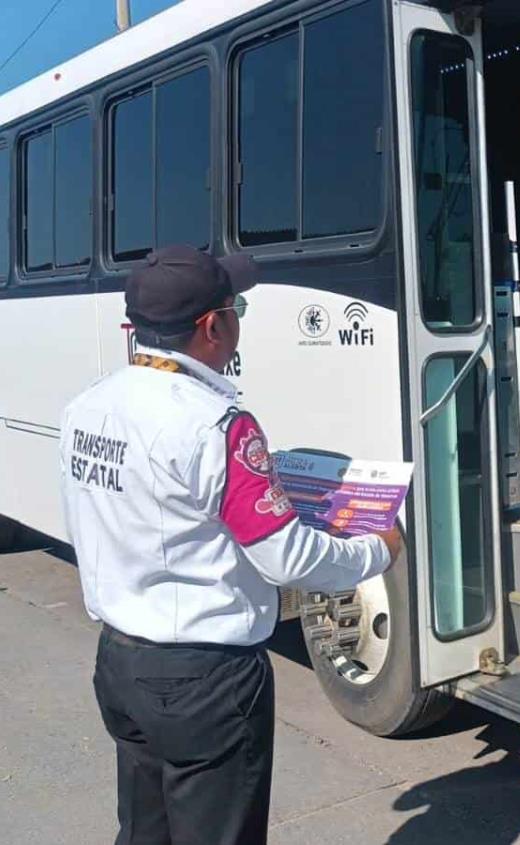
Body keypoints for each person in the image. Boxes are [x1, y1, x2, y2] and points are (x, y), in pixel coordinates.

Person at [59, 245, 403, 845]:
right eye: (235, 306)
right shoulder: (218, 425)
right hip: (205, 682)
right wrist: (376, 551)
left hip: (120, 664)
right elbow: (286, 557)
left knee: (144, 831)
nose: (237, 319)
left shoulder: (87, 406)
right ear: (213, 326)